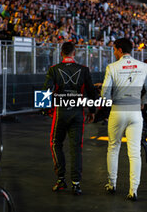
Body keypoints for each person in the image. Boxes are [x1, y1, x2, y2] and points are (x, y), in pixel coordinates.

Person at [101, 38, 147, 201]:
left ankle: (112, 184)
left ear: (118, 49)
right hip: (135, 112)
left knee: (113, 147)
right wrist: (142, 102)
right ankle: (133, 190)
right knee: (134, 153)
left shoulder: (112, 67)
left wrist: (111, 101)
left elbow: (104, 94)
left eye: (114, 49)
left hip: (117, 110)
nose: (114, 52)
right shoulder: (143, 66)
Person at [43, 42, 97, 195]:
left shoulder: (54, 70)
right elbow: (91, 91)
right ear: (74, 53)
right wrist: (92, 111)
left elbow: (45, 89)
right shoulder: (84, 70)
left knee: (55, 143)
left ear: (61, 53)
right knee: (76, 147)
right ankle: (76, 183)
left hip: (60, 112)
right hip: (77, 112)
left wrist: (45, 109)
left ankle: (60, 179)